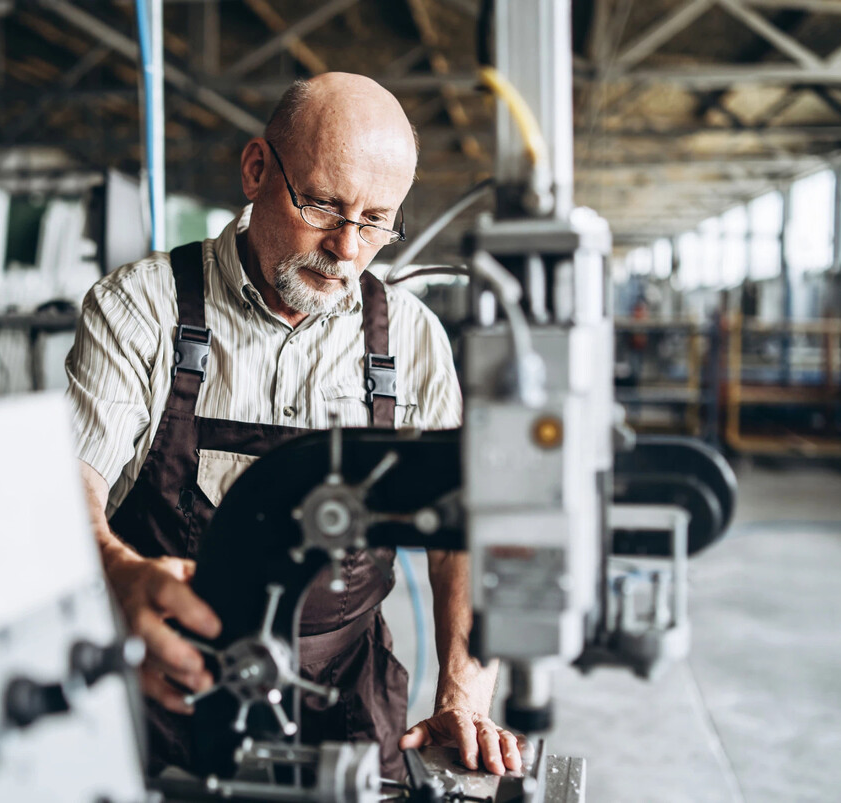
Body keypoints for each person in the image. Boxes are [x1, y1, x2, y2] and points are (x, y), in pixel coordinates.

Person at [66, 72, 522, 780]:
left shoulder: (410, 339)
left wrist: (464, 695)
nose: (346, 247)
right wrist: (118, 573)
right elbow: (68, 486)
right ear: (256, 170)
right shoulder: (143, 309)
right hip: (166, 692)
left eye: (375, 220)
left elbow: (464, 536)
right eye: (323, 204)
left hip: (345, 703)